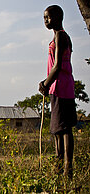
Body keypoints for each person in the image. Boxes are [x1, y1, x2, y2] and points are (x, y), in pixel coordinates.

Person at [39, 5, 77, 179]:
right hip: (61, 86)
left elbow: (57, 66)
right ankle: (60, 164)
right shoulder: (59, 36)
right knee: (58, 129)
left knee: (64, 128)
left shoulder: (61, 36)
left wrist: (45, 84)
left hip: (60, 86)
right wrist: (48, 84)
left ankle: (67, 167)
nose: (46, 20)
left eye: (48, 17)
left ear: (58, 17)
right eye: (44, 18)